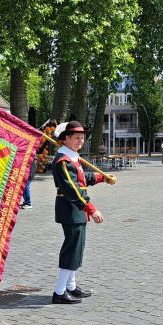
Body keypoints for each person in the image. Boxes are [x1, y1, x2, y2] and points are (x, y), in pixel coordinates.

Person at [51, 120, 116, 304]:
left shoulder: (73, 157)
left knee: (76, 249)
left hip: (76, 211)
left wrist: (102, 177)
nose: (80, 141)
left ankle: (70, 286)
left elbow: (83, 178)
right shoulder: (63, 160)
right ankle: (59, 291)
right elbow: (72, 190)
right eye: (77, 138)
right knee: (71, 250)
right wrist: (91, 209)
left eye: (82, 138)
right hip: (71, 209)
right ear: (66, 139)